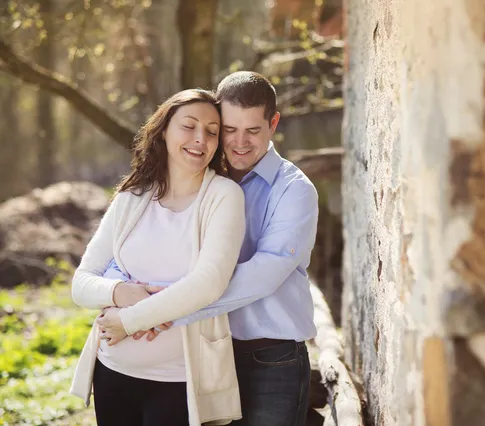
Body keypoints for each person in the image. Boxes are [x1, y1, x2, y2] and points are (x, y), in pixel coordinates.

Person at [105, 71, 320, 426]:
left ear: (274, 123)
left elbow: (262, 275)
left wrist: (158, 313)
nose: (240, 143)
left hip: (269, 357)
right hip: (202, 352)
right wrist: (123, 292)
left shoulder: (294, 190)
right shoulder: (197, 182)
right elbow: (143, 244)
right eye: (230, 130)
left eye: (253, 130)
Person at [69, 89, 246, 426]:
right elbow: (82, 282)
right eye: (189, 126)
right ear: (164, 130)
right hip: (113, 372)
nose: (200, 139)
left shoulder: (224, 196)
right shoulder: (131, 197)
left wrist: (129, 319)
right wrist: (121, 292)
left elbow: (208, 284)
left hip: (180, 381)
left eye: (211, 131)